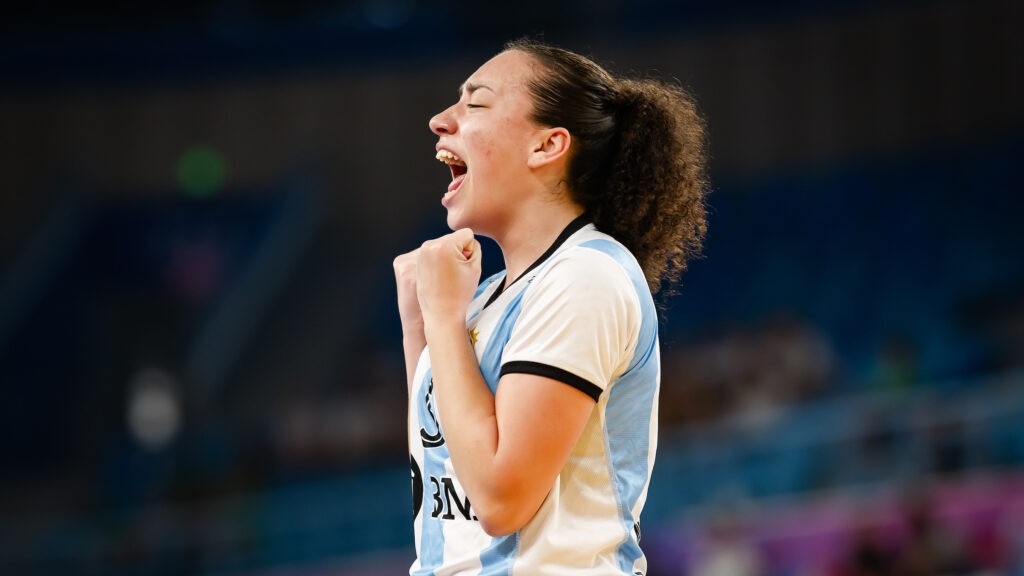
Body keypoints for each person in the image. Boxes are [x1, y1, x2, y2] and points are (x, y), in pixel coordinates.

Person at [393, 38, 709, 575]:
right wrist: (420, 328)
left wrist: (443, 319)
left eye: (476, 103)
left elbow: (500, 501)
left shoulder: (586, 276)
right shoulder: (488, 296)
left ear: (546, 145)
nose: (440, 120)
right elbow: (447, 463)